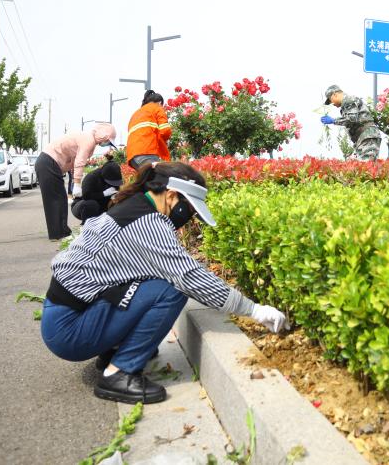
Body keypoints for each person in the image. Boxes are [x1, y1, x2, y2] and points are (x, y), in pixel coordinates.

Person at [40, 161, 289, 404]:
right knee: (171, 289)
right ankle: (119, 373)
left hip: (67, 317)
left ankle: (114, 349)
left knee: (159, 279)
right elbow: (190, 276)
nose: (189, 218)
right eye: (189, 209)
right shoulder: (147, 223)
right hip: (68, 331)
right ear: (171, 195)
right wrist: (254, 310)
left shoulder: (136, 207)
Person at [34, 123, 117, 240]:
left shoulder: (89, 140)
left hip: (50, 163)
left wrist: (75, 180)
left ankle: (62, 231)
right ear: (103, 136)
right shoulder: (88, 140)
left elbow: (74, 162)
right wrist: (77, 184)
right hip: (48, 162)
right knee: (55, 199)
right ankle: (59, 234)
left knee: (59, 198)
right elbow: (79, 161)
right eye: (108, 141)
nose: (106, 143)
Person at [320, 85, 382, 161]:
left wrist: (333, 120)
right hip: (364, 137)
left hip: (367, 136)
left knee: (366, 165)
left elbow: (351, 119)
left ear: (335, 94)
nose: (331, 103)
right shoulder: (347, 102)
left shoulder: (348, 100)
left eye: (330, 100)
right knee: (364, 165)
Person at [126, 90, 171, 170]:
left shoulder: (136, 114)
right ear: (160, 102)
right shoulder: (157, 108)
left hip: (133, 157)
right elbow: (165, 130)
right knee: (158, 175)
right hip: (147, 152)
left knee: (147, 176)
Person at [71, 158, 123, 224]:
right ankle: (87, 225)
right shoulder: (91, 177)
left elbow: (116, 191)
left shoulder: (114, 177)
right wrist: (103, 193)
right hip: (82, 206)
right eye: (111, 182)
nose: (113, 184)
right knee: (91, 204)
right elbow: (86, 197)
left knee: (119, 202)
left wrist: (116, 196)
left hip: (101, 207)